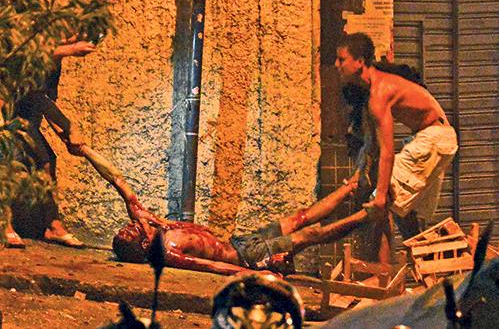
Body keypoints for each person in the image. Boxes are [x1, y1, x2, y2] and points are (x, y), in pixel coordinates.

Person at [80, 146, 374, 275]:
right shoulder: (167, 251)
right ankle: (366, 214)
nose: (129, 225)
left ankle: (351, 186)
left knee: (301, 217)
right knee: (309, 235)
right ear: (143, 245)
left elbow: (118, 181)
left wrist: (84, 150)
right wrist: (252, 275)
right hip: (247, 257)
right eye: (129, 232)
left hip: (241, 242)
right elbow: (211, 267)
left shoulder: (150, 223)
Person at [334, 32, 458, 263]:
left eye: (341, 59)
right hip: (431, 139)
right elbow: (371, 145)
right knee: (403, 209)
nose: (336, 65)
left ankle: (382, 272)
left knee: (384, 195)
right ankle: (427, 266)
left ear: (359, 62)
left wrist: (380, 195)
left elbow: (386, 151)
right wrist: (357, 176)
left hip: (435, 138)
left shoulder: (379, 92)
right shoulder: (369, 92)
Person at [5, 39, 96, 248]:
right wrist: (69, 127)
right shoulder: (27, 45)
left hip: (26, 122)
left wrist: (65, 135)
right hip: (6, 118)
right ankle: (4, 224)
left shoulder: (54, 64)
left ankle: (53, 226)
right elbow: (26, 83)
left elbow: (44, 100)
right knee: (8, 161)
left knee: (47, 162)